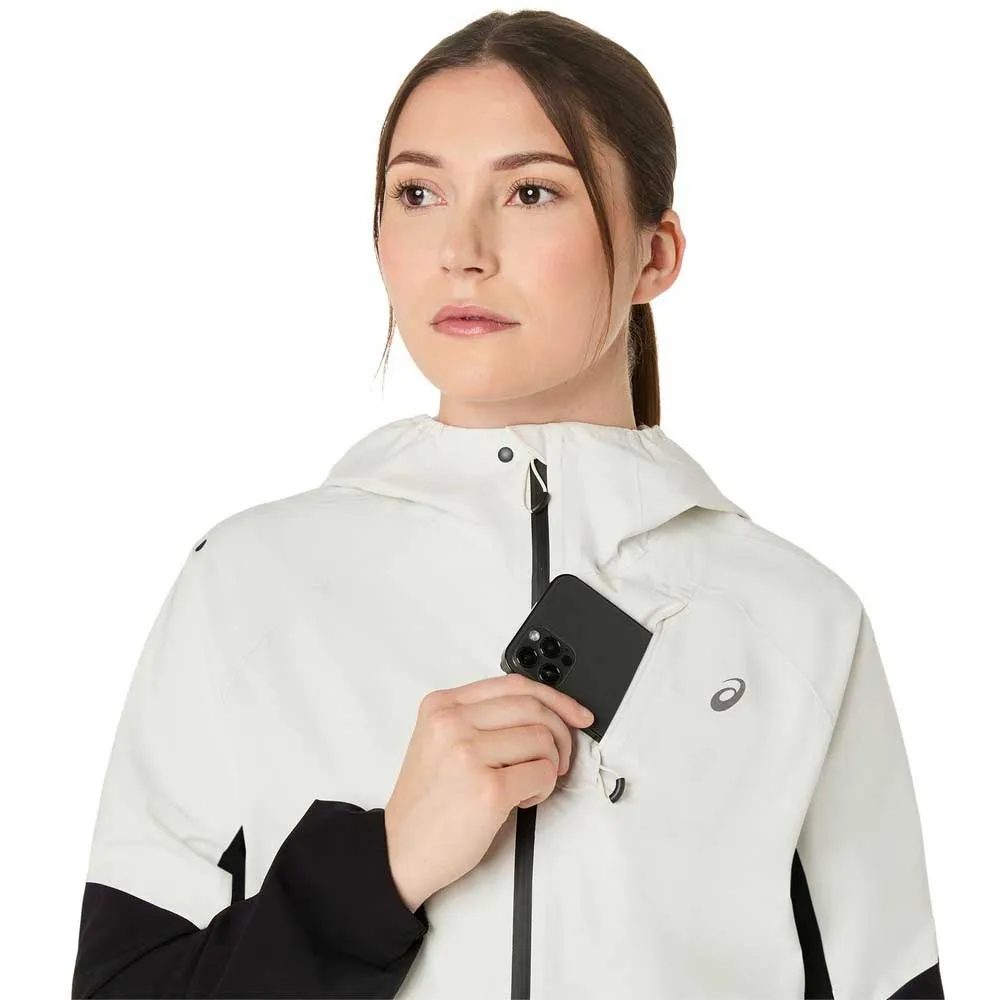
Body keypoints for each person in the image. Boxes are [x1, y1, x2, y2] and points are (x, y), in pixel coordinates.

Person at [70, 9, 945, 999]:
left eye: (531, 192)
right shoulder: (246, 585)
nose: (462, 248)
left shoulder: (798, 621)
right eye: (418, 193)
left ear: (655, 255)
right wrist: (382, 867)